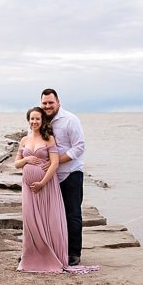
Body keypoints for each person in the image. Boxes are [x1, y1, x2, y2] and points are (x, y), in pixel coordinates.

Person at [14, 107, 68, 272]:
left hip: (45, 187)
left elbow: (55, 163)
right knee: (30, 221)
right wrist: (27, 159)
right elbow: (16, 163)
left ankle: (48, 255)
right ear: (28, 121)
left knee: (48, 220)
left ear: (43, 121)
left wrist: (42, 182)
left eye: (37, 119)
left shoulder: (49, 139)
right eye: (31, 119)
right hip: (28, 188)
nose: (34, 122)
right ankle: (32, 256)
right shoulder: (24, 140)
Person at [40, 88, 86, 266]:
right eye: (44, 103)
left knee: (72, 214)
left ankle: (73, 253)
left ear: (58, 102)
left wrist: (56, 161)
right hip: (49, 176)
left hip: (71, 173)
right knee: (50, 215)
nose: (48, 106)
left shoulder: (70, 120)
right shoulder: (40, 119)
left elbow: (79, 147)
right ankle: (54, 249)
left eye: (51, 102)